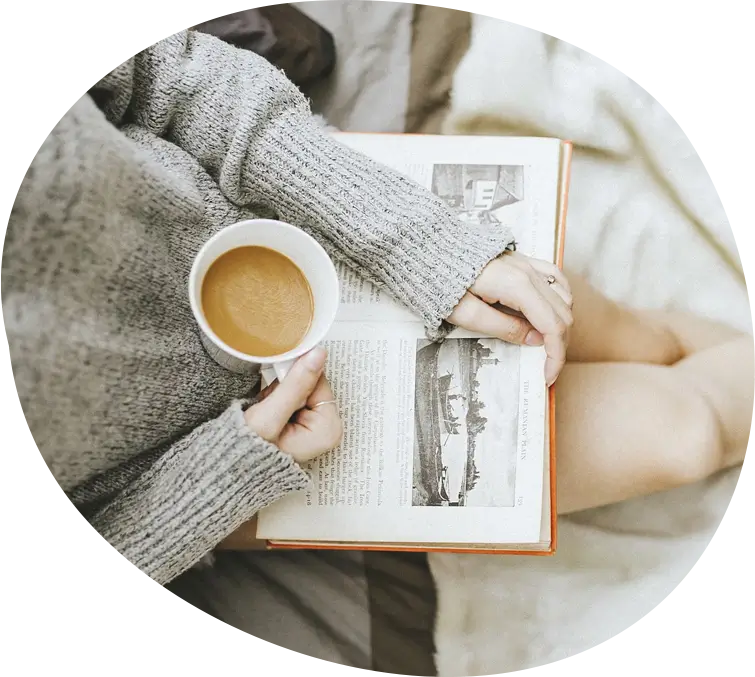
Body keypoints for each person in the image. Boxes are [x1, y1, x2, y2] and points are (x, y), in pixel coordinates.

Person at [2, 28, 752, 676]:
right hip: (226, 454)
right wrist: (222, 477)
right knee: (681, 434)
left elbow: (163, 68)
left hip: (314, 229)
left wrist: (421, 243)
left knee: (629, 334)